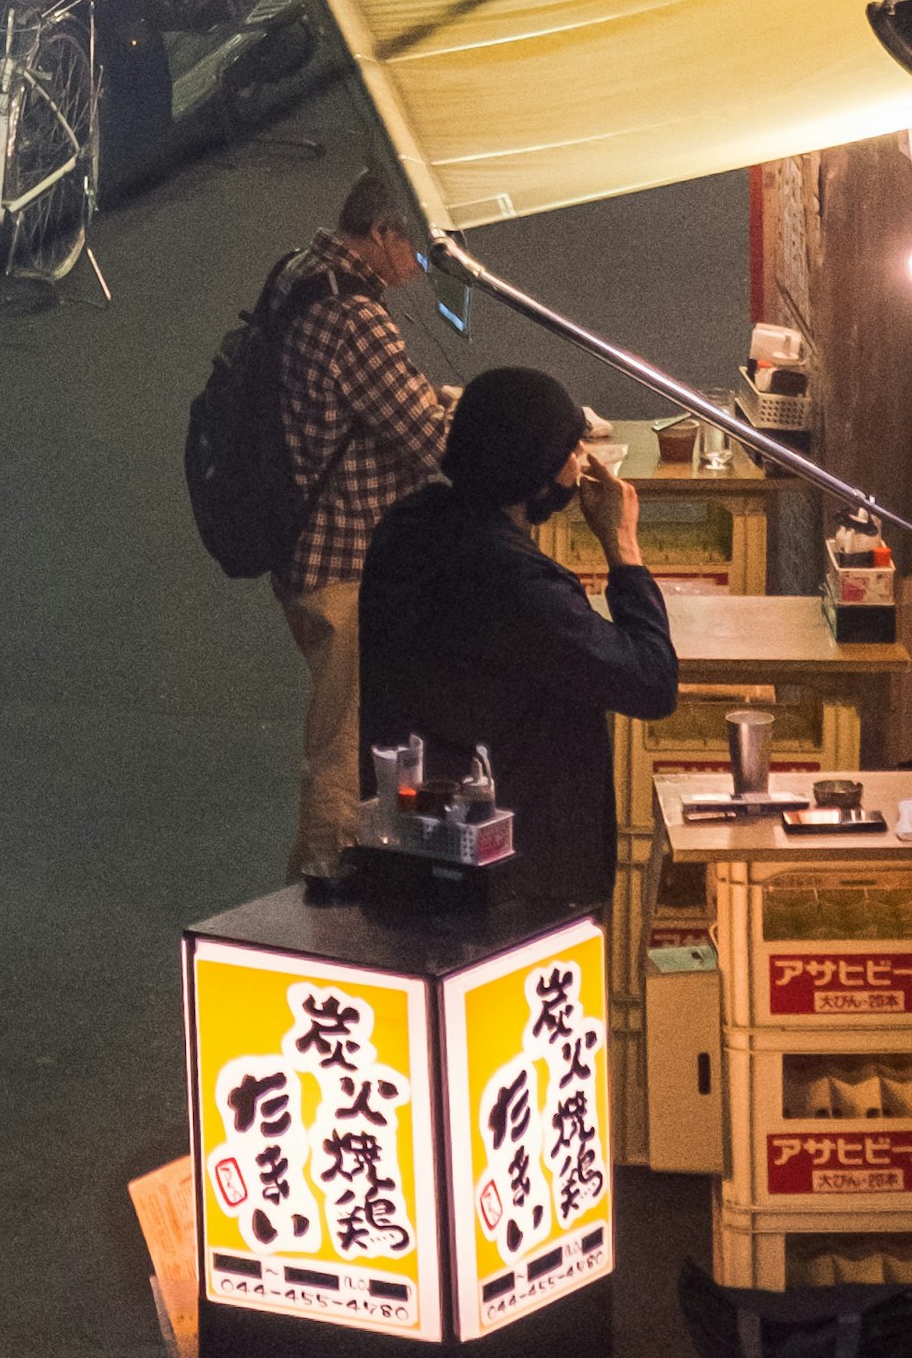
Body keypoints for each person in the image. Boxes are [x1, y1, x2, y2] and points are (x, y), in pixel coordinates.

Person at [356, 363, 680, 931]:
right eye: (571, 449)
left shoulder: (407, 526)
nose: (582, 460)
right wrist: (623, 546)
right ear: (539, 473)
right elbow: (650, 682)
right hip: (517, 880)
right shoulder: (514, 583)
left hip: (414, 843)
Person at [271, 167, 460, 875]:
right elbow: (433, 443)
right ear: (382, 234)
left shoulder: (303, 270)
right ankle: (322, 889)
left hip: (301, 546)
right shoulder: (356, 318)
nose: (419, 269)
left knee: (344, 729)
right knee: (343, 745)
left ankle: (326, 872)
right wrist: (473, 416)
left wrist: (432, 396)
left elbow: (376, 399)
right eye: (415, 250)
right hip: (343, 560)